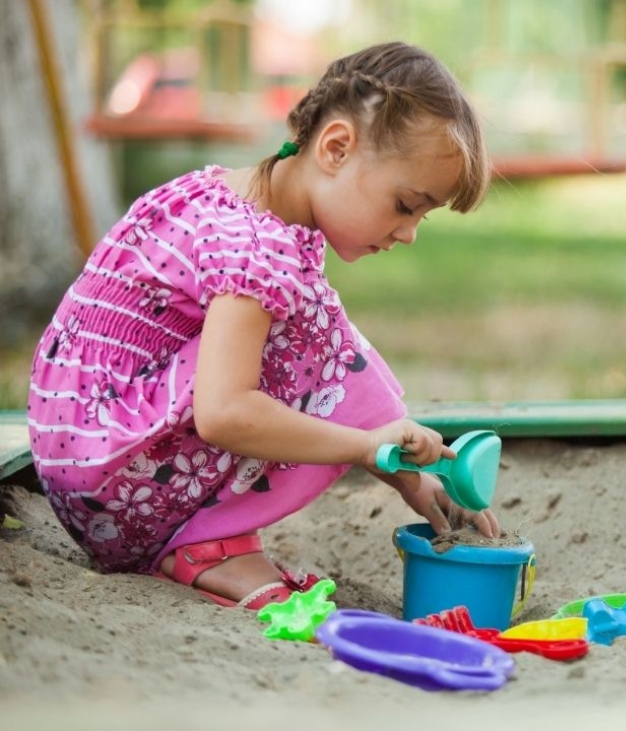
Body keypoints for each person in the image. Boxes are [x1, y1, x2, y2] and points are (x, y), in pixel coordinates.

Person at [27, 42, 501, 611]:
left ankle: (206, 535)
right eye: (405, 204)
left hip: (86, 453)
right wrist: (368, 446)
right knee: (302, 331)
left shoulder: (234, 199)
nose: (409, 232)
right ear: (336, 147)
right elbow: (225, 413)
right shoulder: (256, 250)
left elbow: (324, 343)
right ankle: (205, 546)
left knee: (311, 321)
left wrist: (408, 473)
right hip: (114, 486)